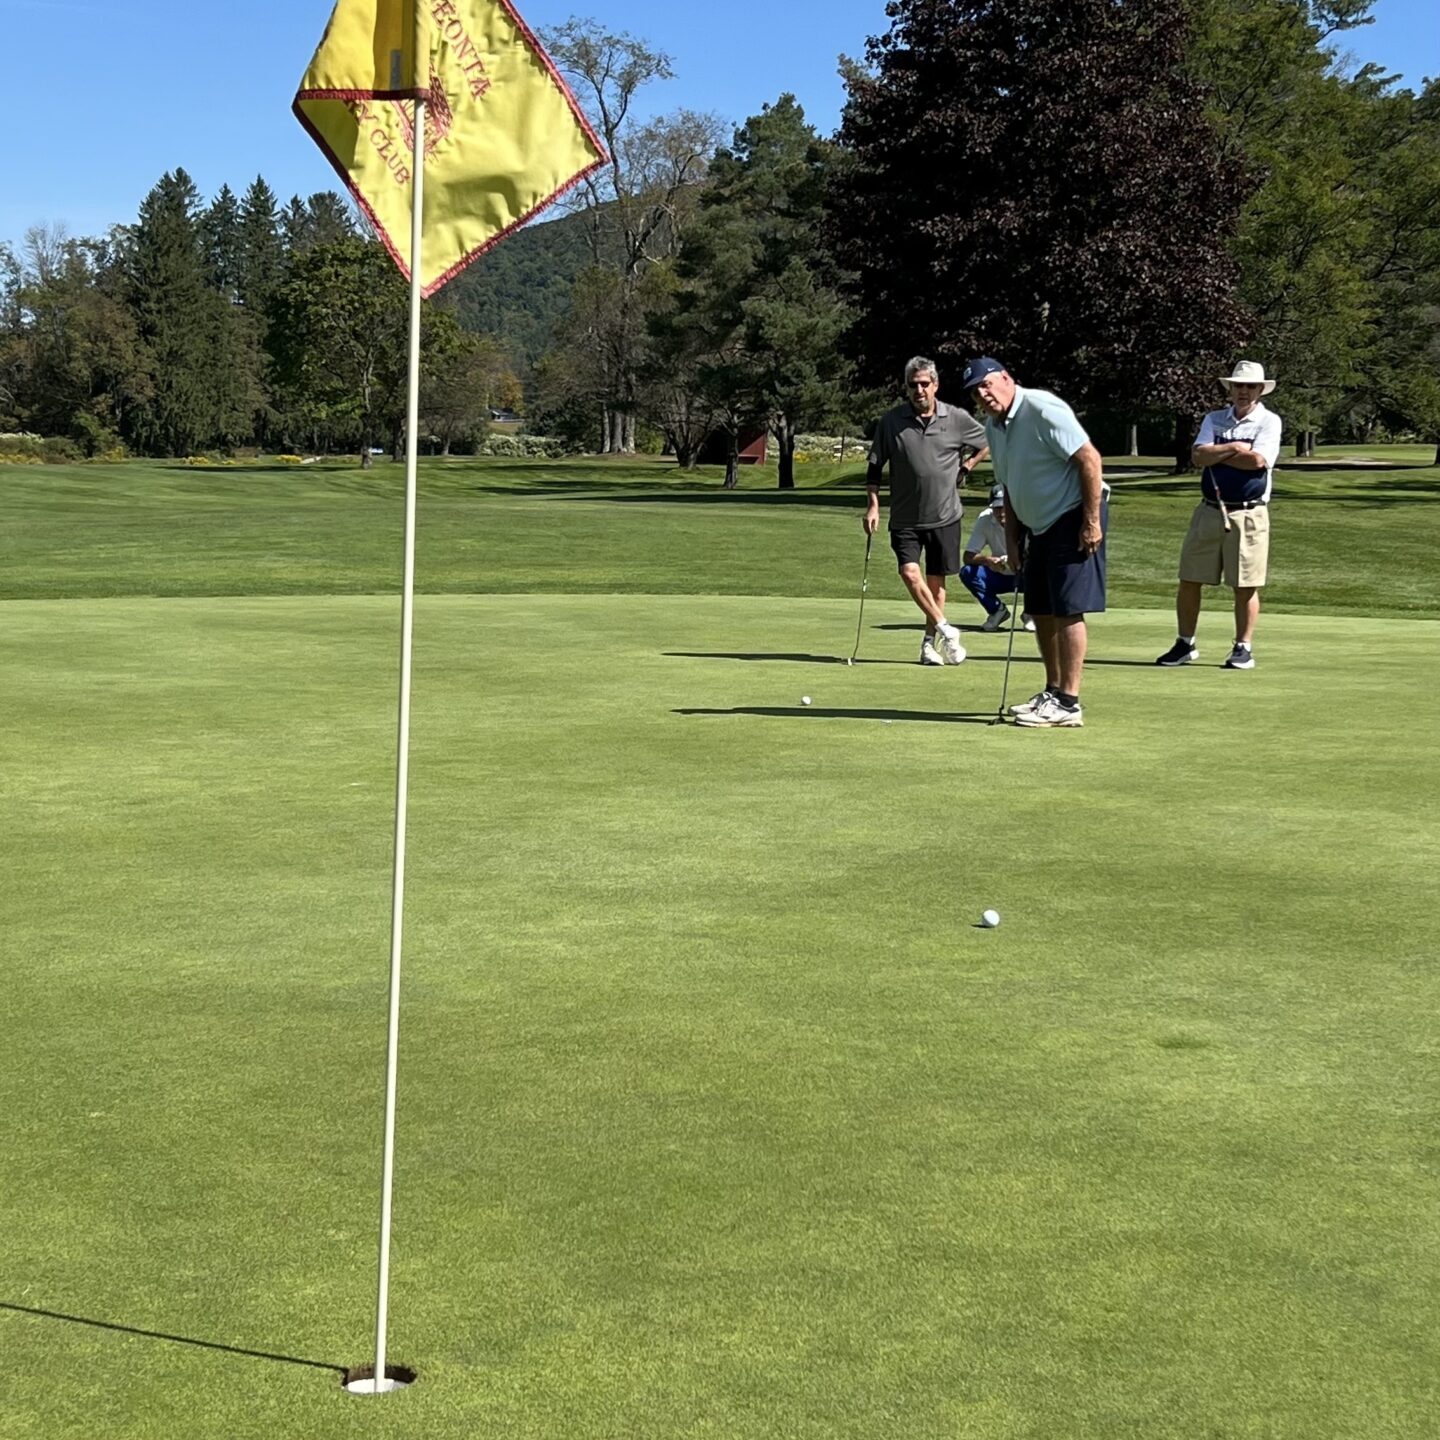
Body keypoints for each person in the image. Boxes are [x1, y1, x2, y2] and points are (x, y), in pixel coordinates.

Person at [959, 357, 1108, 728]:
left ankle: (1069, 703)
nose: (983, 394)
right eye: (976, 391)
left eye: (987, 384)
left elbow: (1090, 459)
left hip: (1073, 515)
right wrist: (1012, 539)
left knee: (1068, 607)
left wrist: (1091, 521)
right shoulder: (994, 427)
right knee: (1040, 607)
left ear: (1006, 378)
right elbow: (1009, 486)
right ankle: (1053, 691)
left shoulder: (1042, 408)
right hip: (1037, 525)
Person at [1156, 361, 1282, 670]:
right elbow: (1198, 456)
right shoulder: (1214, 419)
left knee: (1245, 583)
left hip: (1249, 512)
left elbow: (1257, 462)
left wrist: (1219, 453)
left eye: (1250, 386)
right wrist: (1236, 447)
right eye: (1238, 385)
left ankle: (1243, 647)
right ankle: (1185, 643)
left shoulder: (1269, 421)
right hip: (1210, 509)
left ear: (1260, 389)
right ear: (1231, 388)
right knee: (1190, 578)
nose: (1243, 391)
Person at [864, 356, 990, 666]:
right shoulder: (891, 421)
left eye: (924, 384)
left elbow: (988, 441)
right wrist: (873, 504)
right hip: (905, 517)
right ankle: (947, 629)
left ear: (935, 385)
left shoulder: (955, 418)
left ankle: (929, 644)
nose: (918, 390)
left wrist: (968, 464)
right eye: (913, 385)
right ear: (906, 388)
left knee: (936, 583)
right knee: (909, 572)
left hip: (945, 515)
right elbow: (874, 466)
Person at [958, 484, 1035, 633]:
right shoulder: (985, 518)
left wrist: (1019, 559)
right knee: (967, 572)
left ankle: (1031, 613)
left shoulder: (1027, 517)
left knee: (1045, 571)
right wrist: (989, 561)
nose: (1001, 513)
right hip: (999, 574)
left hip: (1026, 575)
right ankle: (997, 611)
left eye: (1004, 507)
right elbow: (968, 556)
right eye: (996, 508)